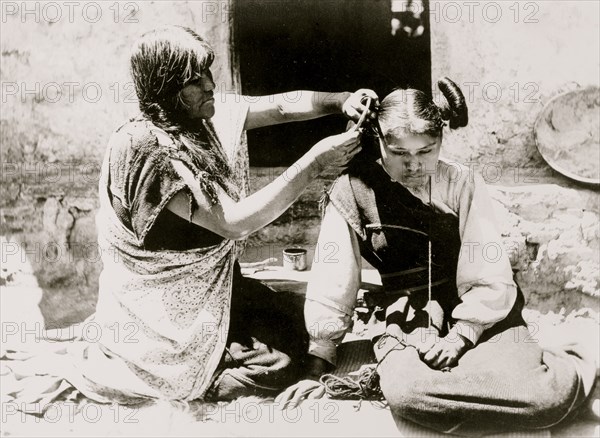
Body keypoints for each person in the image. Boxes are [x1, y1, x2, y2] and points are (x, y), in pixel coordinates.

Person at [2, 25, 378, 409]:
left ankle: (228, 349)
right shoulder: (147, 152)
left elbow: (281, 106)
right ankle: (202, 380)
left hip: (212, 289)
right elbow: (234, 222)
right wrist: (316, 162)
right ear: (166, 91)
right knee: (280, 365)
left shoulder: (197, 117)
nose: (210, 84)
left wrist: (342, 100)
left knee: (299, 324)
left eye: (208, 73)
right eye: (195, 80)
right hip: (166, 316)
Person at [277, 79, 597, 435]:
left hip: (480, 311)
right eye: (400, 154)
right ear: (378, 140)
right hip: (407, 315)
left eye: (426, 151)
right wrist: (317, 364)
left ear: (441, 141)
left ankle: (571, 365)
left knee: (543, 400)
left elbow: (488, 271)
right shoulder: (352, 190)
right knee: (408, 394)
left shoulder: (461, 183)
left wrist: (462, 335)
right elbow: (334, 282)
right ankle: (481, 395)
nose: (413, 166)